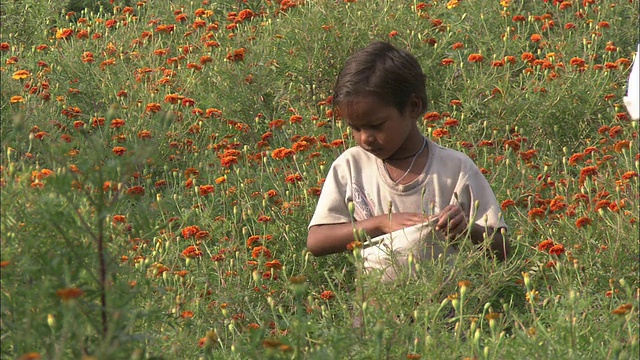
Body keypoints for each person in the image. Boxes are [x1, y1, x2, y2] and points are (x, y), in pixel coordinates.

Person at [307, 42, 509, 268]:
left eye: (376, 126)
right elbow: (317, 241)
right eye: (356, 128)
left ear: (413, 107)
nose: (365, 138)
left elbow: (502, 249)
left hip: (446, 301)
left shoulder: (455, 169)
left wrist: (467, 229)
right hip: (377, 302)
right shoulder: (351, 166)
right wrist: (380, 224)